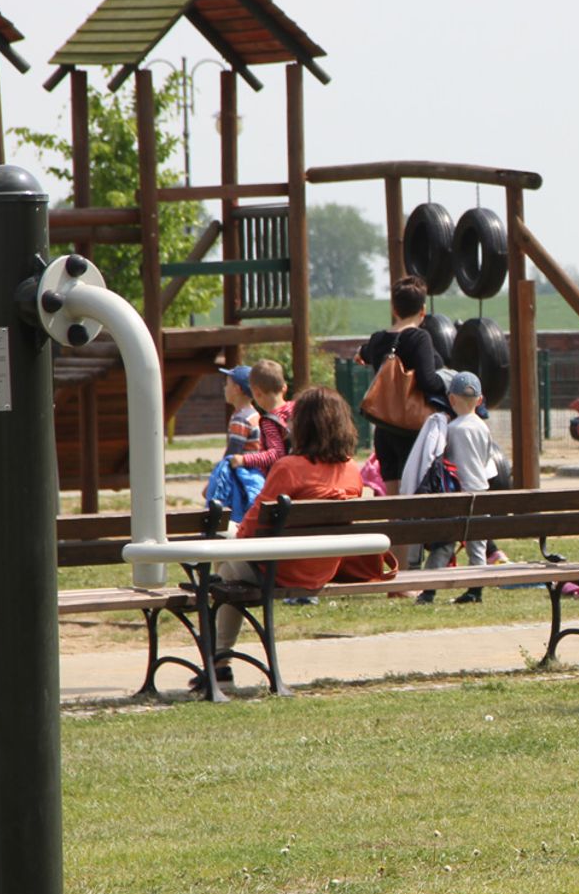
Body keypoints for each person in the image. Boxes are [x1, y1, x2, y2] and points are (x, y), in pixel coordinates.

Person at [198, 387, 378, 689]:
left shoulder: (289, 469)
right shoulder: (352, 471)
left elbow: (250, 529)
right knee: (227, 572)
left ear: (305, 426)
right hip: (321, 568)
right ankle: (219, 663)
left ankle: (220, 662)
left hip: (277, 568)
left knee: (221, 542)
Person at [356, 275, 448, 567]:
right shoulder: (419, 337)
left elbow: (364, 354)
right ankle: (408, 573)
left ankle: (395, 572)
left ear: (394, 308)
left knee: (394, 506)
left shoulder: (377, 339)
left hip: (384, 431)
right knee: (411, 505)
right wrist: (450, 383)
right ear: (422, 311)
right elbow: (429, 381)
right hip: (413, 431)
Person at [416, 371, 492, 605]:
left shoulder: (452, 429)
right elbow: (487, 459)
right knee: (477, 547)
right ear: (480, 400)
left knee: (444, 544)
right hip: (481, 492)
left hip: (457, 494)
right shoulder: (483, 428)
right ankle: (475, 591)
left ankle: (429, 591)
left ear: (451, 400)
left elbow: (443, 459)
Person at [203, 364, 265, 523]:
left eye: (227, 384)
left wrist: (212, 484)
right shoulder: (253, 414)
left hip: (241, 476)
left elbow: (231, 455)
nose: (224, 388)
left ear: (237, 389)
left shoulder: (241, 419)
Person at [233, 359, 294, 479]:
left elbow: (276, 454)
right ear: (284, 388)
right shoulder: (297, 409)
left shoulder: (270, 421)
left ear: (256, 393)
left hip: (284, 479)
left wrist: (244, 459)